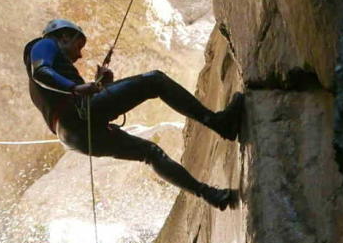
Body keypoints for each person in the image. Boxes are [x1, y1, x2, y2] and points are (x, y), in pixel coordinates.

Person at [22, 18, 246, 209]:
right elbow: (41, 71)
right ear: (63, 36)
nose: (79, 55)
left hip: (74, 136)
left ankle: (211, 196)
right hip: (81, 116)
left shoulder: (54, 83)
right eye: (78, 46)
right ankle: (219, 123)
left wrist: (100, 85)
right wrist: (76, 88)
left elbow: (67, 94)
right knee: (154, 81)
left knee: (150, 153)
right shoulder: (44, 44)